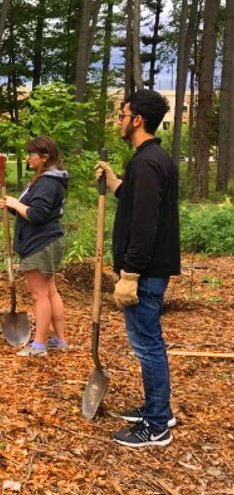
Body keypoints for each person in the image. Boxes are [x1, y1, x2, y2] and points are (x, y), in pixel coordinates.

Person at [95, 89, 180, 447]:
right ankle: (157, 408)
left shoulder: (146, 163)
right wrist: (114, 180)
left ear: (137, 119)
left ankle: (157, 425)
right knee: (149, 343)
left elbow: (144, 224)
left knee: (148, 345)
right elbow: (135, 201)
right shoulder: (150, 158)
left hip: (144, 272)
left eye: (122, 113)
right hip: (149, 268)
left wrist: (130, 275)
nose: (119, 119)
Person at [0, 136, 69, 357]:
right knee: (50, 291)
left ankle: (38, 345)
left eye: (32, 154)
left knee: (40, 295)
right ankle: (59, 339)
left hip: (40, 243)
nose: (28, 158)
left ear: (45, 157)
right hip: (46, 240)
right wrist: (12, 206)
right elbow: (33, 209)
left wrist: (15, 203)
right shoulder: (47, 179)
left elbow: (37, 215)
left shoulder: (48, 182)